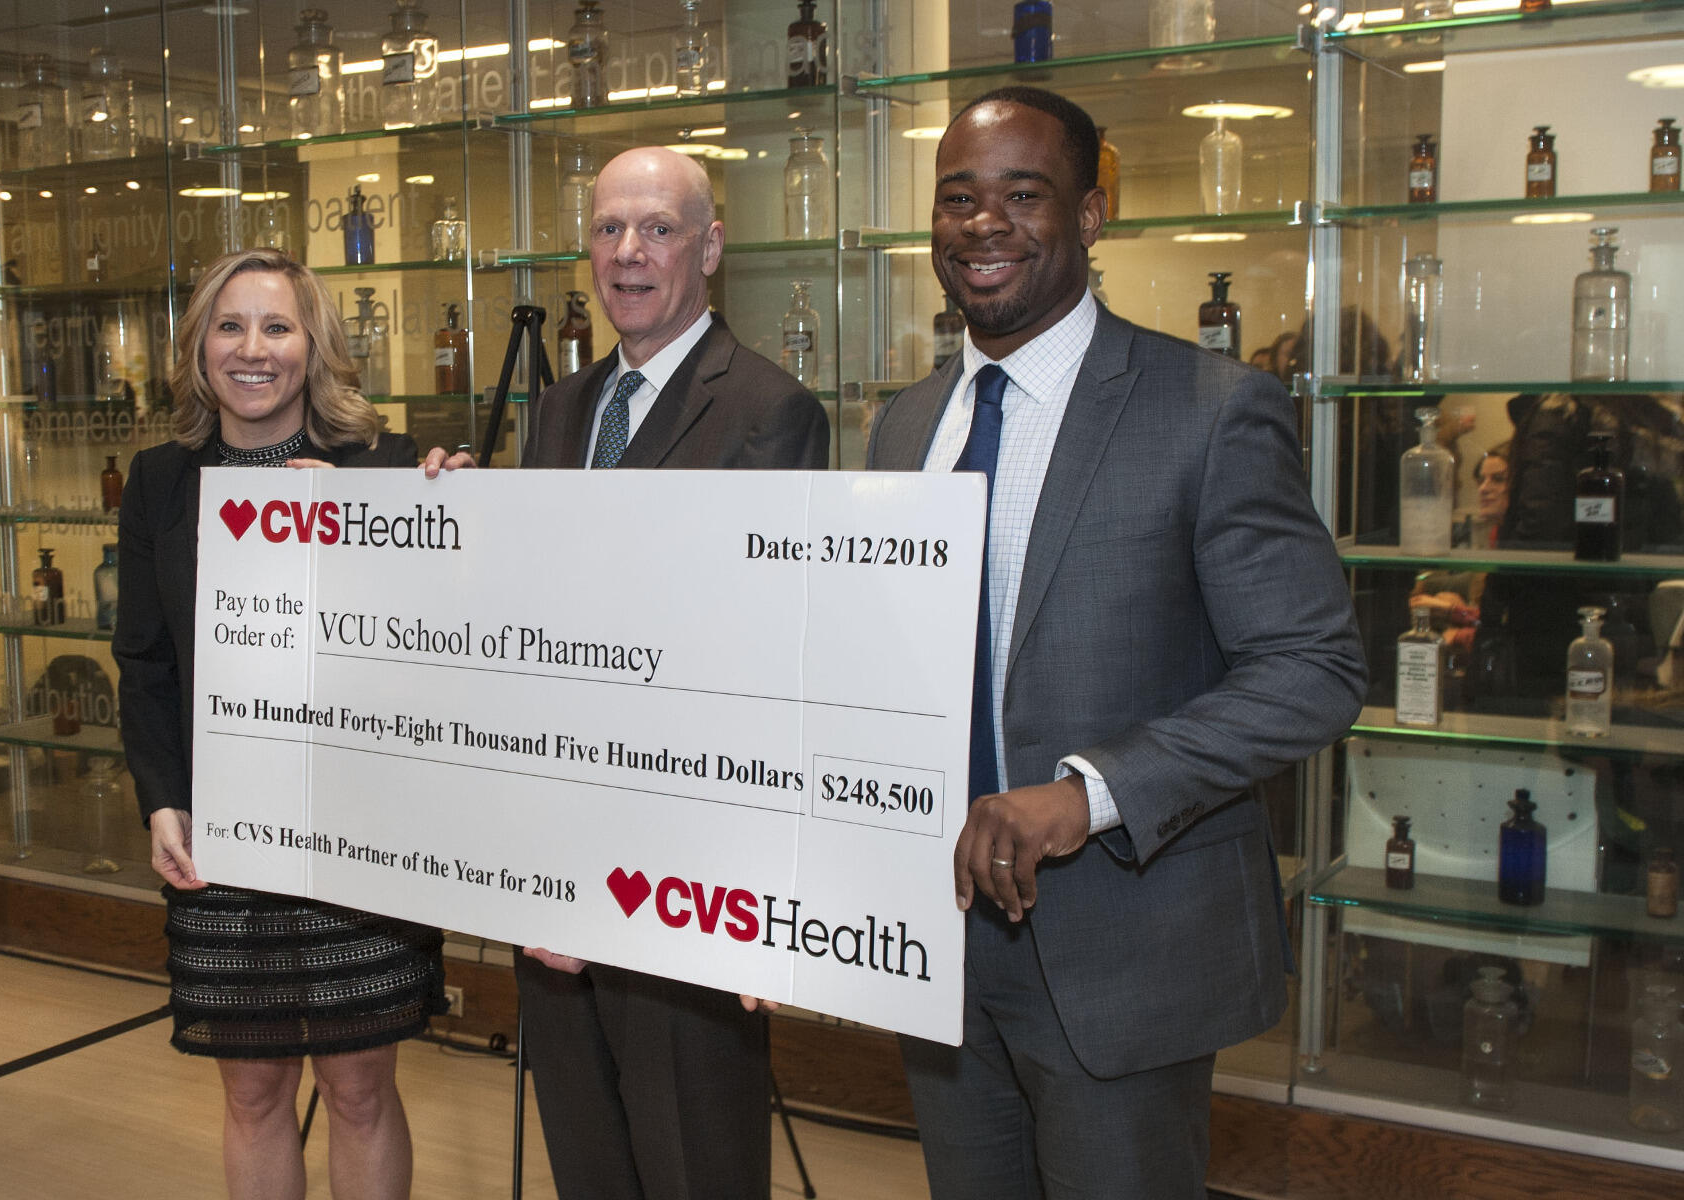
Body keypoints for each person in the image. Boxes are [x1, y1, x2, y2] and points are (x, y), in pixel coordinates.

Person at [865, 87, 1366, 1199]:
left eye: (1022, 194)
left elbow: (1314, 670)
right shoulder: (906, 424)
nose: (982, 222)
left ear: (1091, 215)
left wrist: (1088, 794)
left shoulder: (1209, 408)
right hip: (939, 942)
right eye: (957, 197)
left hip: (1125, 945)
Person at [426, 146, 828, 1200]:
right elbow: (533, 632)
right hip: (556, 881)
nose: (629, 253)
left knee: (694, 1166)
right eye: (608, 230)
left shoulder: (768, 411)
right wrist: (460, 514)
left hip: (687, 891)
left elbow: (769, 667)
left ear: (709, 246)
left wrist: (757, 893)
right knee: (591, 1166)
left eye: (656, 228)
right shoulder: (565, 410)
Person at [115, 247, 445, 1200]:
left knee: (359, 1090)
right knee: (254, 1093)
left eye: (276, 326)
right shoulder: (161, 483)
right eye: (229, 326)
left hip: (359, 832)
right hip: (224, 833)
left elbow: (440, 644)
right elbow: (146, 661)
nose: (251, 349)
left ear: (315, 347)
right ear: (199, 348)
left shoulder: (384, 469)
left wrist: (440, 513)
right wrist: (161, 803)